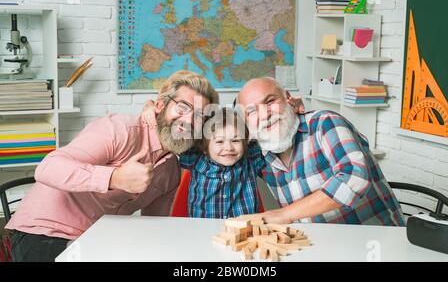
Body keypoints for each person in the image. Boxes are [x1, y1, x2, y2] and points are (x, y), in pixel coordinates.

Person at [5, 70, 219, 261]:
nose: (189, 120)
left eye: (199, 116)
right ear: (161, 105)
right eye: (183, 107)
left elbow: (153, 226)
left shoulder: (171, 171)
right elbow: (47, 168)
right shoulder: (120, 130)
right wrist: (115, 178)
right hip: (44, 232)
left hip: (97, 240)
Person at [236, 77, 405, 226]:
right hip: (318, 247)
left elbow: (355, 177)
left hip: (376, 242)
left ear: (289, 99)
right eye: (251, 111)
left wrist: (284, 214)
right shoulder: (257, 151)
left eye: (270, 101)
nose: (264, 115)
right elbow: (214, 147)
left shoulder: (324, 123)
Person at [143, 106, 265, 219]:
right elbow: (168, 135)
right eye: (219, 142)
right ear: (205, 147)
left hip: (244, 232)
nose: (229, 147)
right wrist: (151, 107)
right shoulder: (196, 158)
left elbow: (268, 133)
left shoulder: (250, 158)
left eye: (236, 140)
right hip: (203, 231)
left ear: (244, 143)